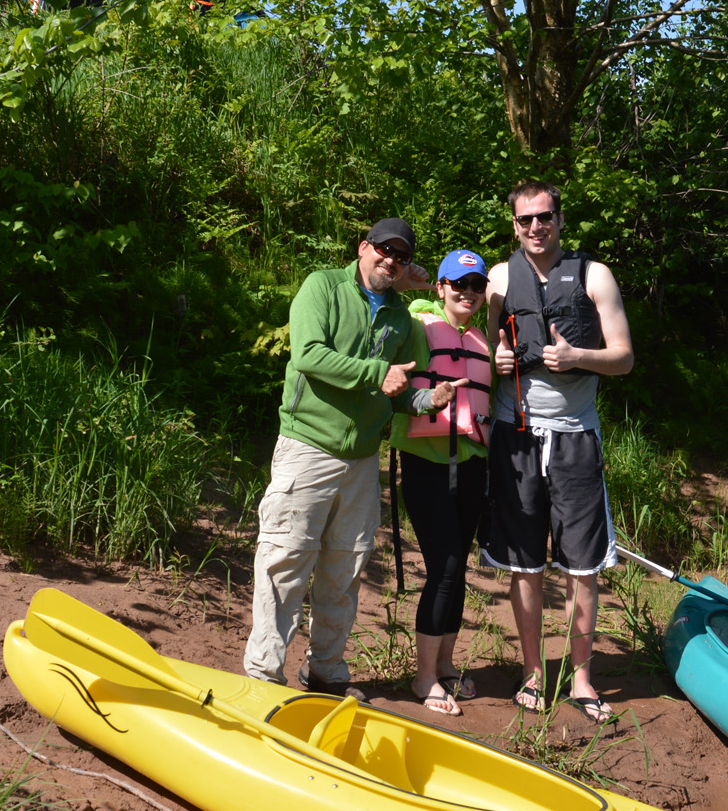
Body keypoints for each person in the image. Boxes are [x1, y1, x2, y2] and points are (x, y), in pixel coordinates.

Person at [244, 219, 463, 698]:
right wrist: (376, 372)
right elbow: (308, 354)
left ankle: (325, 671)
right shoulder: (322, 286)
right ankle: (263, 676)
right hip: (307, 447)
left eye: (402, 257)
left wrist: (429, 399)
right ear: (363, 247)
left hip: (362, 460)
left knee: (344, 571)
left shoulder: (402, 319)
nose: (391, 260)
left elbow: (398, 390)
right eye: (385, 249)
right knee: (285, 561)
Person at [482, 182, 635, 724]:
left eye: (543, 217)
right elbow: (482, 348)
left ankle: (583, 679)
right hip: (515, 435)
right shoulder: (498, 279)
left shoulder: (595, 276)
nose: (534, 228)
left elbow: (623, 358)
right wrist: (497, 361)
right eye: (524, 221)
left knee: (582, 567)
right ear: (514, 225)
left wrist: (578, 355)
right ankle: (531, 673)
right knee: (523, 565)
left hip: (575, 438)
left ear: (559, 219)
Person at [390, 249, 494, 716]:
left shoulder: (484, 339)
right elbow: (386, 310)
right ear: (440, 287)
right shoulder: (417, 324)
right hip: (426, 462)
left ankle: (447, 665)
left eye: (476, 286)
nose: (467, 293)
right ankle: (424, 677)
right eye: (458, 284)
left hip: (471, 464)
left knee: (460, 570)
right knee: (445, 568)